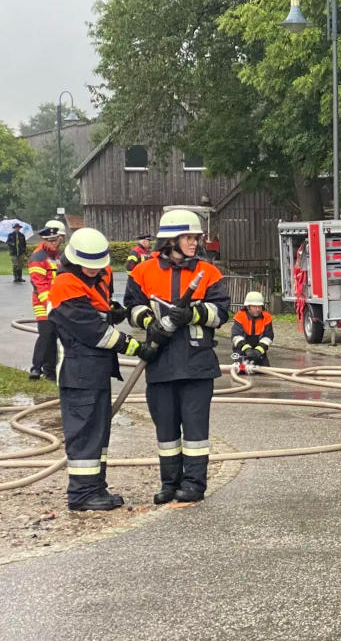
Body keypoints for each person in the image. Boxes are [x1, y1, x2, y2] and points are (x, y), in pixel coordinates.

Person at [124, 208, 231, 504]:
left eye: (195, 237)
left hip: (196, 364)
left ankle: (194, 484)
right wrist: (150, 323)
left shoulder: (207, 273)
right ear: (170, 240)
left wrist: (193, 312)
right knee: (166, 430)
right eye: (188, 237)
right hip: (160, 361)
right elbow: (132, 306)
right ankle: (169, 483)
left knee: (195, 431)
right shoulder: (143, 272)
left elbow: (221, 312)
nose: (194, 242)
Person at [48, 228, 155, 511]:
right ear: (74, 260)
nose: (95, 272)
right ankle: (81, 494)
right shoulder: (65, 286)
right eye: (89, 267)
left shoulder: (98, 274)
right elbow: (95, 332)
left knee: (98, 432)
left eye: (98, 267)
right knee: (84, 432)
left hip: (94, 370)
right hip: (77, 371)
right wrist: (137, 347)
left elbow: (99, 310)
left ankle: (96, 487)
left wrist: (113, 311)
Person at [28, 220, 66, 380]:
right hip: (43, 303)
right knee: (46, 334)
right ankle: (36, 368)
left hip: (56, 303)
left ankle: (49, 371)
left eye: (58, 241)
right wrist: (49, 303)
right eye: (52, 241)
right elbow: (39, 283)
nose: (56, 244)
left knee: (53, 336)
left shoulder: (56, 256)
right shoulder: (38, 256)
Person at [231, 291, 275, 368]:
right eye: (254, 307)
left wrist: (259, 350)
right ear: (248, 307)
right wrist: (247, 350)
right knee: (241, 370)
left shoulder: (267, 318)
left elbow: (268, 337)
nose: (258, 309)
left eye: (260, 307)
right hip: (241, 350)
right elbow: (236, 336)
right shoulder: (240, 317)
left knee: (265, 370)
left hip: (259, 350)